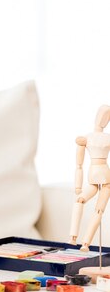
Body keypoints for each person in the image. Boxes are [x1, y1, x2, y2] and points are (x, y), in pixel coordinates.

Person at [69, 105, 110, 251]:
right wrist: (78, 186)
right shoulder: (86, 138)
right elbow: (78, 165)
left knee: (99, 210)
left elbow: (78, 165)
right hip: (93, 177)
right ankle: (73, 236)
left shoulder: (106, 138)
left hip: (106, 180)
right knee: (80, 199)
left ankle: (86, 243)